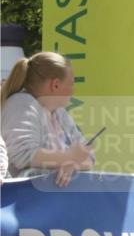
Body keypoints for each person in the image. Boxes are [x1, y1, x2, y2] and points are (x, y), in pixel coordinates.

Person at [0, 51, 94, 187]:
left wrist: (71, 164)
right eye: (72, 84)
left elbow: (89, 157)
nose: (74, 90)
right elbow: (23, 155)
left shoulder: (60, 113)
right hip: (21, 202)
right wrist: (68, 158)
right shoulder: (21, 104)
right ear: (55, 85)